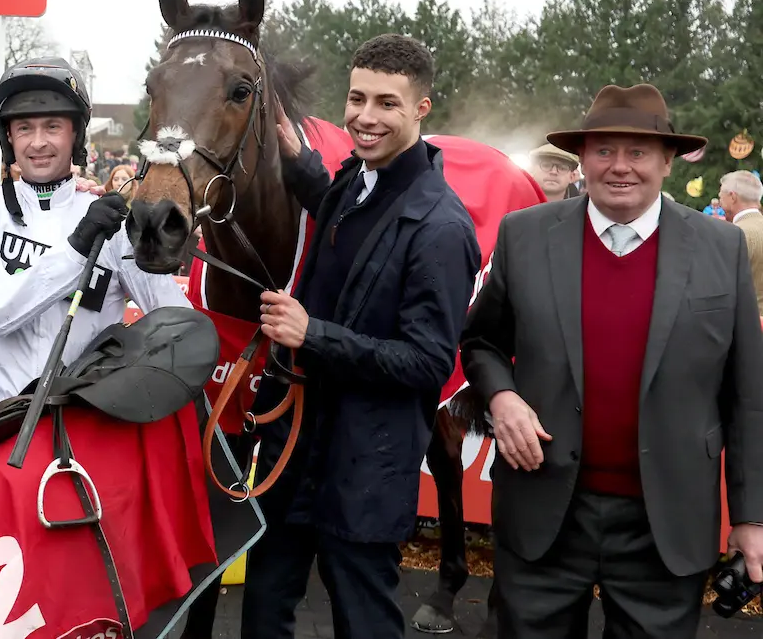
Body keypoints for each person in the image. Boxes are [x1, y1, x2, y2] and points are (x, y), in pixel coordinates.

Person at [460, 83, 763, 638]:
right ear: (583, 159)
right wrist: (501, 397)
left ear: (667, 161)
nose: (620, 166)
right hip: (543, 510)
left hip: (665, 522)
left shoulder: (721, 248)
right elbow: (481, 342)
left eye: (638, 152)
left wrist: (751, 517)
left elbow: (747, 395)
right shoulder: (525, 235)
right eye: (603, 150)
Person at [243, 34, 480, 639]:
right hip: (296, 452)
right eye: (356, 99)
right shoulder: (356, 179)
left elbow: (428, 363)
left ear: (421, 108)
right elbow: (346, 220)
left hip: (365, 466)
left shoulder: (443, 227)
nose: (365, 117)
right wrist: (300, 165)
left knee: (364, 623)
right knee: (262, 612)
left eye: (386, 103)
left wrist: (312, 334)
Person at [0, 57, 189, 411]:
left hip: (88, 431)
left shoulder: (113, 226)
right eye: (24, 128)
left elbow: (178, 323)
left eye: (52, 127)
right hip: (1, 425)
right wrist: (77, 248)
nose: (38, 143)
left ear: (75, 133)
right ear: (9, 137)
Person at [719, 169, 763, 313]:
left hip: (749, 321)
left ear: (732, 197)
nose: (719, 203)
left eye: (720, 197)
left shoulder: (734, 234)